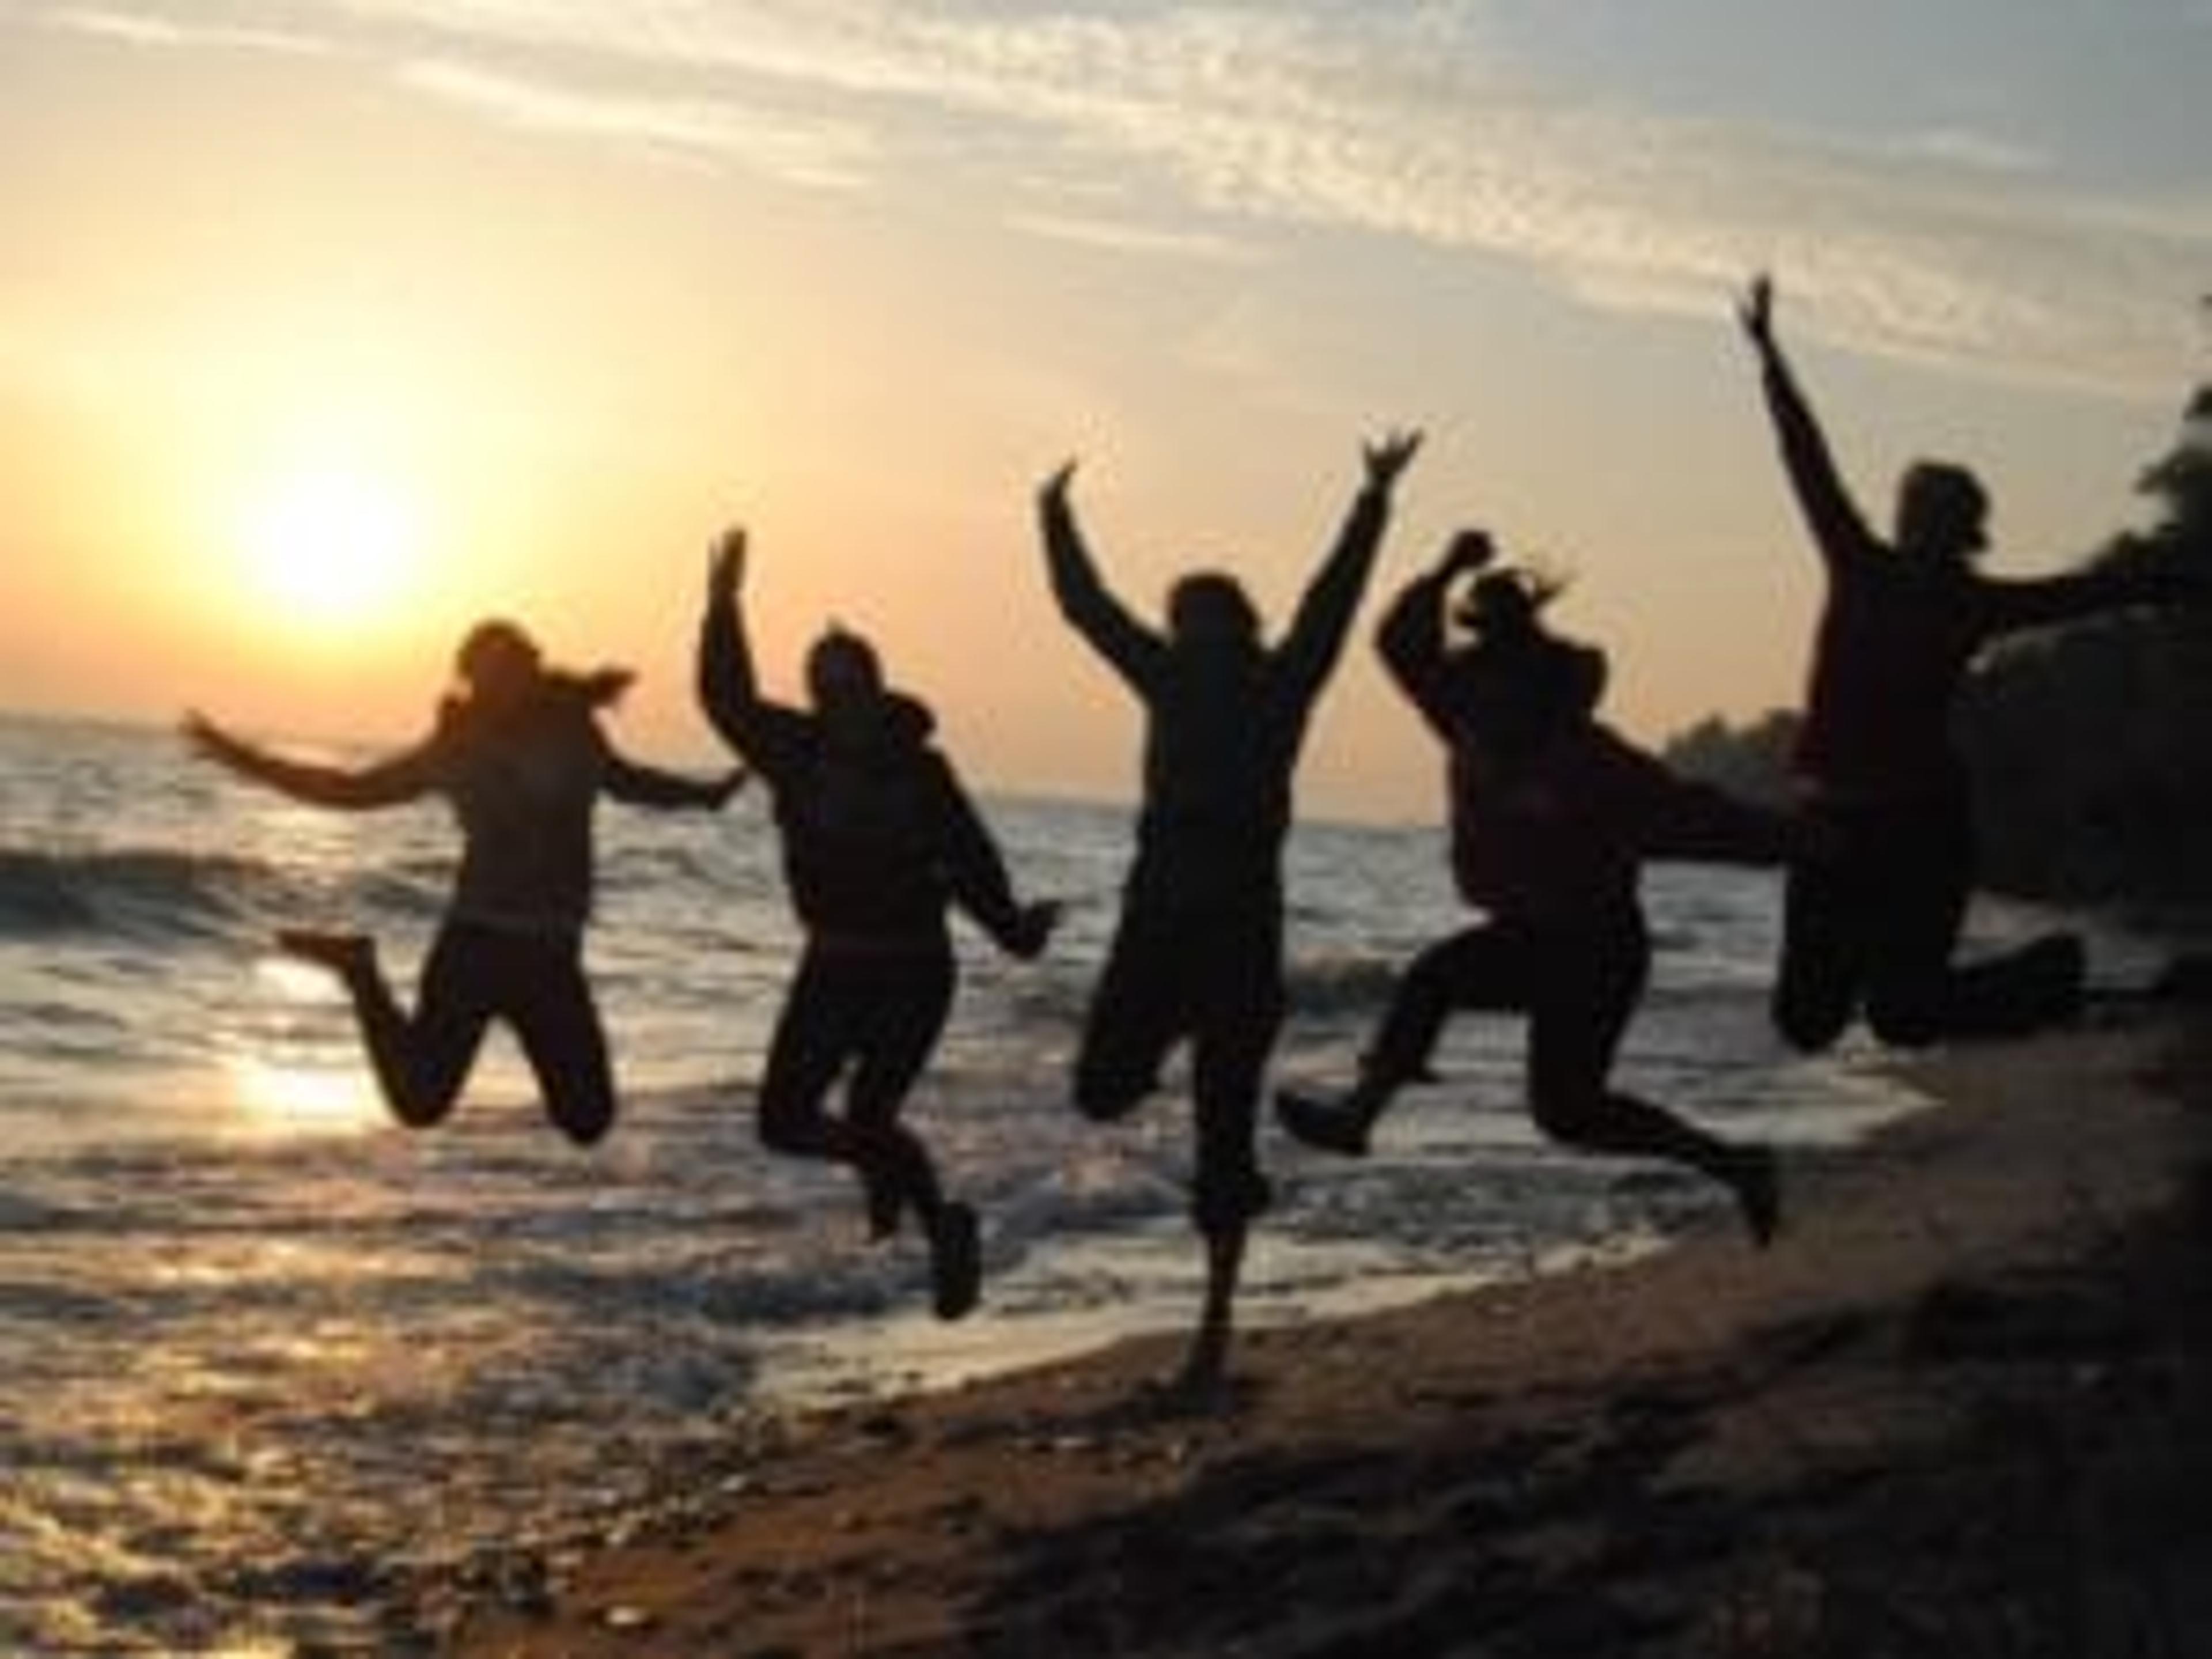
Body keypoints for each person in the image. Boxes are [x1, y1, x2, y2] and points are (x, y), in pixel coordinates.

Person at [1276, 529, 1802, 1245]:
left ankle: (1734, 1163)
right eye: (1480, 679)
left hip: (1599, 946)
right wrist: (1441, 572)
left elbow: (1696, 817)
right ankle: (1358, 1118)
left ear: (1536, 687)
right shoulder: (1466, 719)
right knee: (1440, 984)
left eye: (1502, 684)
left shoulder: (1588, 758)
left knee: (1566, 1111)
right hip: (1528, 935)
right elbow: (1402, 646)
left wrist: (1800, 841)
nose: (1486, 698)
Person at [1036, 429, 1422, 1394]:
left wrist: (1055, 518)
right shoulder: (1234, 676)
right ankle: (1212, 1315)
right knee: (1115, 1095)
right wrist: (1372, 499)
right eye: (1186, 623)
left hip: (1218, 930)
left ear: (1220, 626)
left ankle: (1211, 1342)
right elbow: (1097, 612)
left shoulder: (1250, 679)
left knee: (1199, 1127)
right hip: (1185, 929)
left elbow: (1091, 609)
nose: (1190, 635)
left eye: (1195, 620)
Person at [1737, 272, 2191, 1052]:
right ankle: (1932, 972)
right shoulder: (1859, 564)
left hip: (1922, 827)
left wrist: (2176, 581)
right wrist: (1771, 357)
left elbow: (2090, 593)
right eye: (1918, 516)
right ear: (1907, 523)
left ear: (1960, 534)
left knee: (1903, 1017)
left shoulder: (1971, 602)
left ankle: (2049, 972)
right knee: (1805, 1026)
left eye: (1939, 521)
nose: (1922, 530)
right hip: (1828, 825)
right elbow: (1806, 459)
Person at [183, 620, 745, 1145]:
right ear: (475, 681)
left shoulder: (575, 729)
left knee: (588, 1120)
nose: (503, 685)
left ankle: (360, 969)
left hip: (552, 955)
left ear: (530, 669)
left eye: (515, 668)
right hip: (475, 946)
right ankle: (360, 972)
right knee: (420, 1106)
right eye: (489, 676)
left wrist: (704, 796)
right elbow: (352, 790)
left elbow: (627, 782)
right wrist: (249, 762)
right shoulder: (455, 749)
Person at [695, 528, 1056, 1322]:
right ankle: (893, 1179)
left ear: (875, 688)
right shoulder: (794, 748)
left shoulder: (921, 771)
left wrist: (1012, 932)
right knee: (783, 1124)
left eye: (847, 684)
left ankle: (941, 1228)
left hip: (914, 971)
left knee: (870, 1115)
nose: (834, 699)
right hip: (830, 967)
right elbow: (725, 697)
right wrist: (723, 605)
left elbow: (971, 860)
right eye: (822, 687)